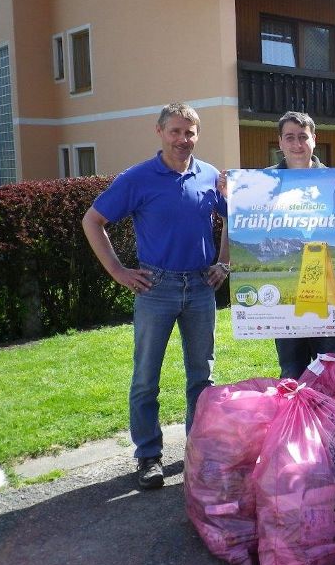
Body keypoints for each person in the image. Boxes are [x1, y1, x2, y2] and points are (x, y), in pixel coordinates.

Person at [82, 102, 229, 490]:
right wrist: (117, 270)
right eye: (176, 131)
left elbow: (236, 217)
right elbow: (93, 221)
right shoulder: (138, 178)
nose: (183, 139)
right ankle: (148, 456)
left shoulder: (211, 176)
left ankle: (197, 452)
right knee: (147, 378)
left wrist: (224, 262)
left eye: (190, 132)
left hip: (200, 287)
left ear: (197, 134)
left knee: (203, 376)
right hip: (156, 288)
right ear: (160, 132)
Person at [263, 111, 335, 379]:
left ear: (314, 139)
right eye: (290, 138)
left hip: (329, 291)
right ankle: (296, 423)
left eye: (303, 137)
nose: (297, 144)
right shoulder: (263, 184)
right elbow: (248, 223)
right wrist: (234, 195)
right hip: (285, 294)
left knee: (330, 371)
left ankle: (331, 422)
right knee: (291, 371)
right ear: (280, 142)